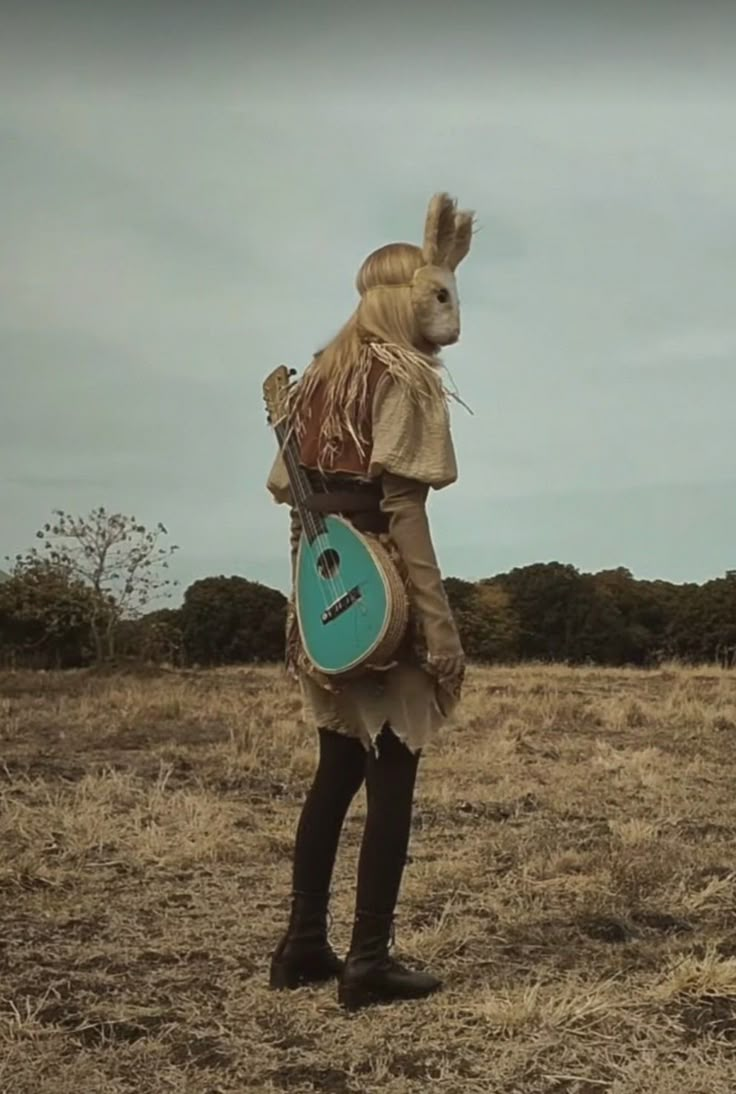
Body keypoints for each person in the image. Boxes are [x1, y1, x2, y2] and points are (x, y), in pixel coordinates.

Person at [265, 192, 474, 1011]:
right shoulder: (404, 377)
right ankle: (369, 961)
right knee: (394, 774)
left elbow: (292, 493)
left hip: (323, 597)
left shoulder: (315, 381)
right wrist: (437, 625)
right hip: (383, 595)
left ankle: (302, 946)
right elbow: (404, 509)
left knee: (335, 769)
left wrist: (315, 601)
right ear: (405, 297)